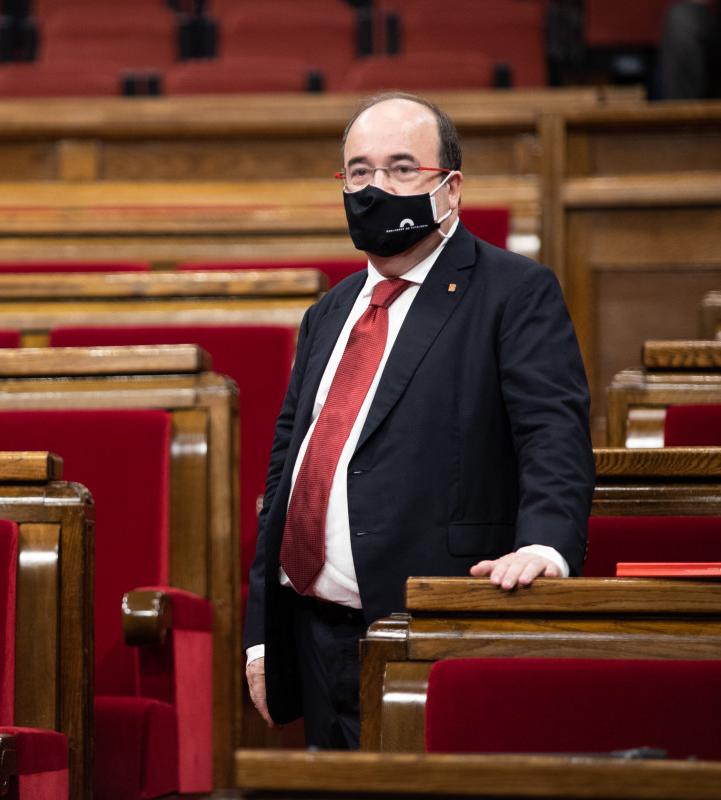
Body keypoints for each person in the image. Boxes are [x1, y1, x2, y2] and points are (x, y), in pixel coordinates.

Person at [243, 92, 595, 750]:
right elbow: (287, 474)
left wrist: (544, 547)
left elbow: (553, 436)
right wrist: (261, 634)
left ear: (450, 189)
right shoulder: (329, 311)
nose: (375, 189)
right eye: (358, 171)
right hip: (315, 636)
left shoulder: (513, 292)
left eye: (402, 169)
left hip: (432, 625)